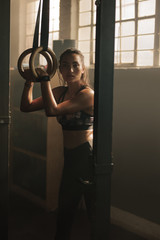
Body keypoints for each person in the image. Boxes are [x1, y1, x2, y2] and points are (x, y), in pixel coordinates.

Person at [20, 48, 95, 240]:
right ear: (59, 69)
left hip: (87, 158)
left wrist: (44, 79)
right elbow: (26, 107)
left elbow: (52, 111)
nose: (70, 70)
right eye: (65, 65)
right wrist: (29, 81)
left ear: (83, 69)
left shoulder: (87, 95)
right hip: (70, 157)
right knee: (66, 212)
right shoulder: (59, 92)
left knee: (93, 214)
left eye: (75, 65)